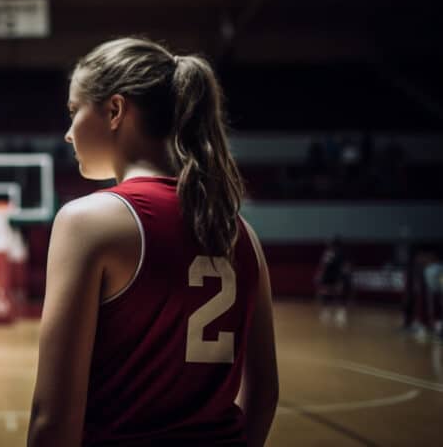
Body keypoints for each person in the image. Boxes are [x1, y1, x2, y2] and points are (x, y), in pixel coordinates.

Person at [28, 38, 278, 447]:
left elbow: (53, 416)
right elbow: (264, 394)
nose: (69, 133)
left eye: (74, 113)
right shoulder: (239, 231)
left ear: (114, 111)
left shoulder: (89, 221)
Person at [314, 236, 352, 326]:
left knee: (337, 293)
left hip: (336, 277)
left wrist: (343, 278)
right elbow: (324, 266)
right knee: (327, 292)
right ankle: (328, 312)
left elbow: (345, 266)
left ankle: (340, 313)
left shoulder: (341, 254)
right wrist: (320, 275)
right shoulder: (328, 254)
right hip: (329, 277)